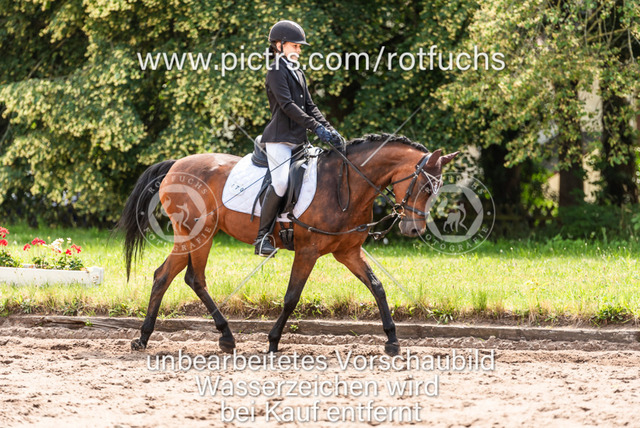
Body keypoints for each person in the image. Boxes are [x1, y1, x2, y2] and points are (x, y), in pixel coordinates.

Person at [254, 20, 344, 256]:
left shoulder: (297, 71)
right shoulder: (275, 70)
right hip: (280, 140)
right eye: (295, 46)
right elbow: (287, 106)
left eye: (299, 47)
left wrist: (329, 129)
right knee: (281, 182)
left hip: (300, 140)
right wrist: (316, 128)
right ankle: (262, 237)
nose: (299, 50)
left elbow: (310, 106)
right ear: (280, 45)